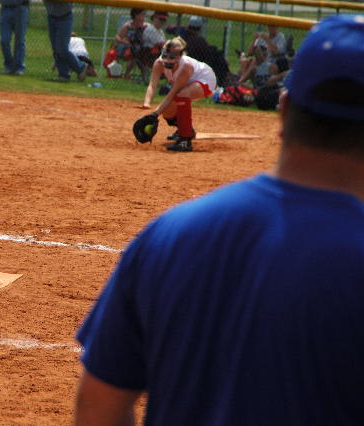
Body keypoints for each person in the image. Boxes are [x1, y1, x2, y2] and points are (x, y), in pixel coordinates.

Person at [76, 14, 364, 426]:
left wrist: (156, 114)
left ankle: (184, 133)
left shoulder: (169, 235)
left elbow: (97, 408)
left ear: (283, 111)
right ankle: (182, 132)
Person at [141, 37, 217, 152]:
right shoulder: (159, 63)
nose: (167, 60)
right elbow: (152, 84)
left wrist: (154, 114)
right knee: (167, 112)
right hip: (188, 84)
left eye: (172, 57)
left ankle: (185, 140)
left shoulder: (185, 67)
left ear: (180, 56)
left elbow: (173, 94)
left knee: (182, 95)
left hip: (205, 80)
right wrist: (147, 103)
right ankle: (184, 128)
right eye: (164, 56)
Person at [43, 0, 87, 83]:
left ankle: (81, 67)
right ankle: (63, 75)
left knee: (62, 49)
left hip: (64, 16)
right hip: (51, 16)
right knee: (56, 49)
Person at [113, 9, 150, 80]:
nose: (144, 16)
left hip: (141, 48)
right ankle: (127, 74)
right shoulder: (128, 26)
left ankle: (145, 78)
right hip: (127, 47)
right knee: (134, 54)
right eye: (142, 14)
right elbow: (117, 37)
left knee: (141, 54)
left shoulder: (146, 26)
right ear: (136, 15)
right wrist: (123, 41)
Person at [0, 0, 29, 75]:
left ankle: (19, 67)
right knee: (4, 40)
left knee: (20, 40)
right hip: (5, 9)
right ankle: (8, 65)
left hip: (20, 8)